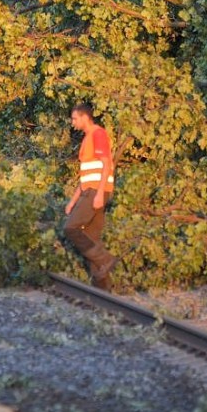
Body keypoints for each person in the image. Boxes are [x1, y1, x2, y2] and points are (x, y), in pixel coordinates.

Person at [63, 103, 119, 291]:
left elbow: (106, 164)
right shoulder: (87, 138)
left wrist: (100, 193)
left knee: (71, 228)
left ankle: (105, 259)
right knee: (91, 237)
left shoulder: (98, 133)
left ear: (85, 117)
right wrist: (73, 200)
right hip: (91, 190)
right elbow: (86, 174)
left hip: (97, 191)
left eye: (75, 118)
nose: (73, 123)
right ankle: (102, 290)